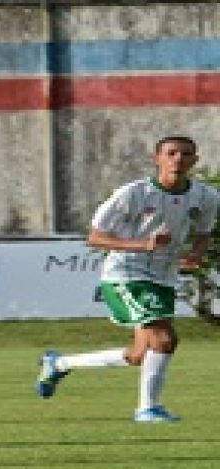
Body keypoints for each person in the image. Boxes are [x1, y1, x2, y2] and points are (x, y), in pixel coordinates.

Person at [36, 136, 219, 422]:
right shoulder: (133, 193)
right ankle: (147, 409)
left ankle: (58, 364)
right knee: (164, 339)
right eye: (171, 153)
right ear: (156, 158)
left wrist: (195, 255)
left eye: (186, 154)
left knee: (139, 354)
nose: (178, 159)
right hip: (126, 274)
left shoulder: (206, 196)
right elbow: (96, 237)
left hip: (164, 276)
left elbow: (203, 233)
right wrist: (143, 245)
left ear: (195, 161)